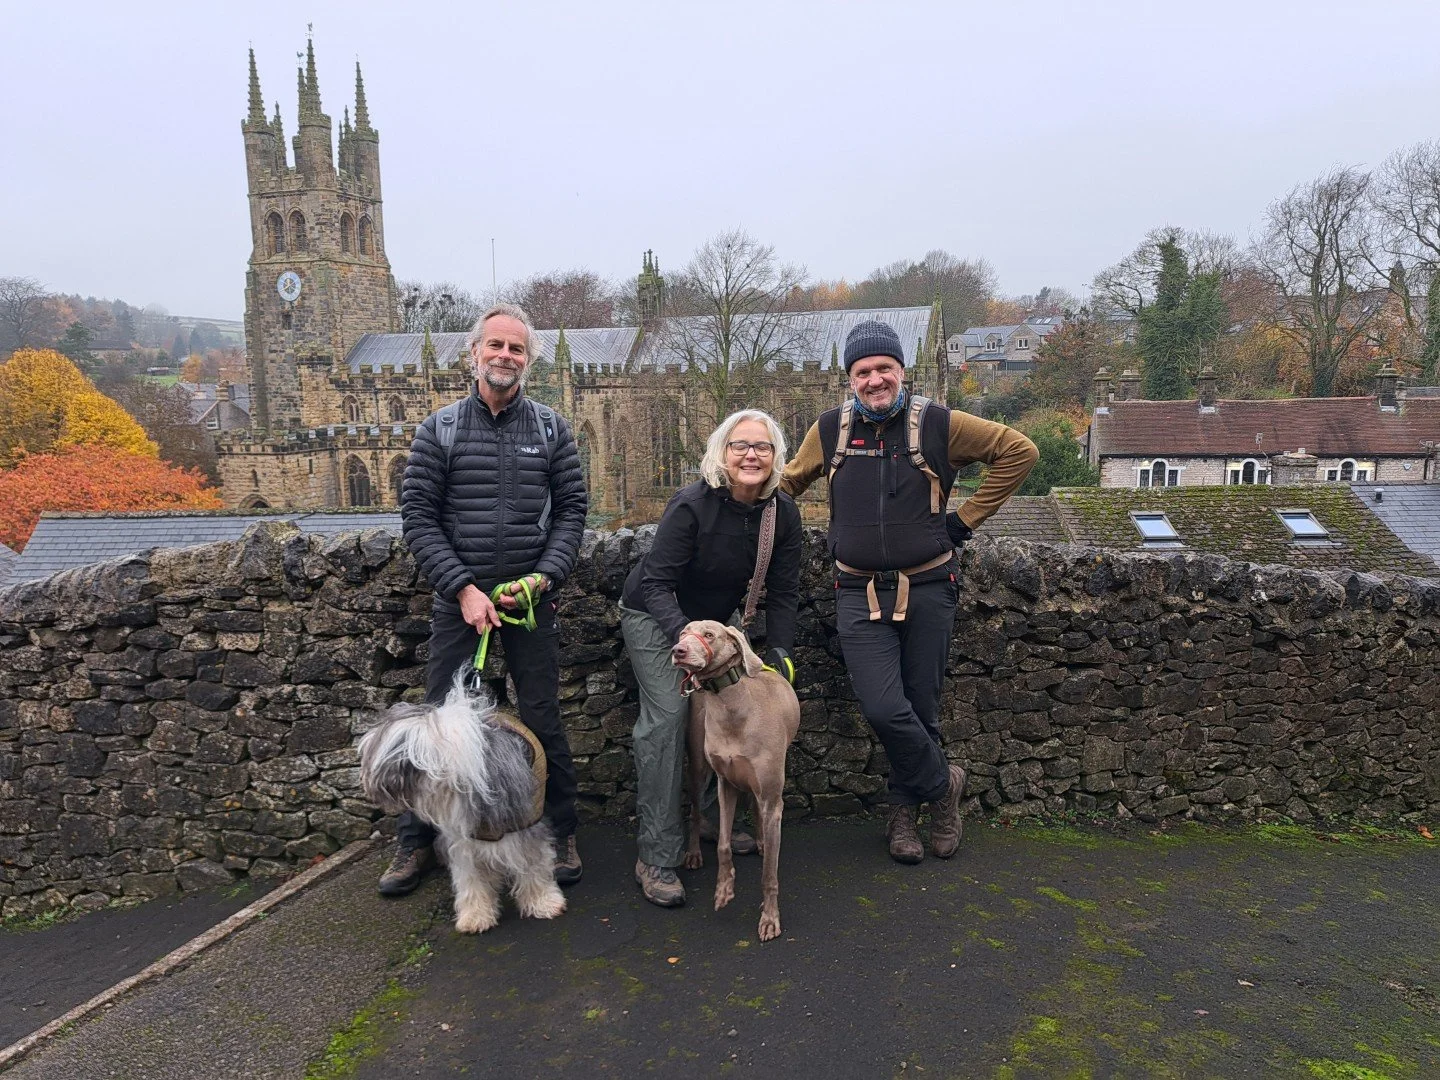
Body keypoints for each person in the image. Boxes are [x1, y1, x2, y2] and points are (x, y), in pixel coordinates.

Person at [781, 320, 1037, 864]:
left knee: (922, 708)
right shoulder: (829, 430)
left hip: (928, 585)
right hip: (856, 588)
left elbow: (1019, 451)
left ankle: (906, 816)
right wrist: (725, 492)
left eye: (884, 369)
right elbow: (787, 483)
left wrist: (962, 522)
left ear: (902, 371)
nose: (875, 380)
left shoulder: (940, 424)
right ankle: (945, 785)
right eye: (863, 372)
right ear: (849, 378)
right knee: (881, 705)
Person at [384, 302, 589, 896]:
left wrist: (543, 578)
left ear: (528, 360)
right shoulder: (439, 430)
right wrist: (463, 589)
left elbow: (572, 513)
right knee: (436, 725)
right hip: (460, 602)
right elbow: (418, 519)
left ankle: (560, 830)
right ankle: (414, 842)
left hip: (528, 601)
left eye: (516, 349)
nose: (505, 356)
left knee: (543, 716)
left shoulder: (550, 429)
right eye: (495, 346)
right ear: (473, 353)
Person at [619, 409, 802, 907]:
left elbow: (784, 592)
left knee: (728, 711)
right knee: (670, 718)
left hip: (718, 628)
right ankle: (656, 854)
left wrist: (780, 652)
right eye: (740, 445)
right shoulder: (692, 504)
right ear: (722, 453)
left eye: (762, 447)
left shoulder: (781, 513)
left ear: (775, 456)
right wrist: (689, 640)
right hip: (658, 618)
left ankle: (707, 822)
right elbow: (656, 582)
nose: (751, 455)